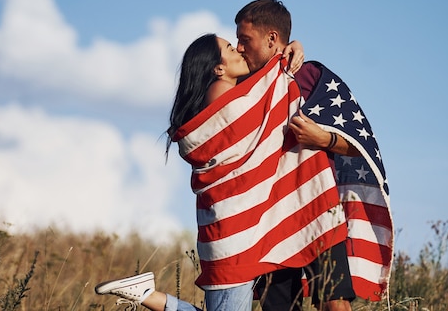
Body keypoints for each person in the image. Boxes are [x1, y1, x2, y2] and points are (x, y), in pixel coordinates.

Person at [95, 32, 306, 311]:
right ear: (218, 68)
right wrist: (280, 58)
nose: (240, 50)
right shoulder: (221, 90)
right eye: (231, 48)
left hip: (229, 227)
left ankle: (149, 295)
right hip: (233, 230)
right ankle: (147, 296)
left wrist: (290, 48)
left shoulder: (226, 90)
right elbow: (259, 114)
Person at [237, 0, 392, 311]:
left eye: (245, 39)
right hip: (268, 217)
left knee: (333, 302)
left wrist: (323, 138)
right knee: (278, 306)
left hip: (318, 207)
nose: (239, 48)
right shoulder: (242, 84)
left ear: (271, 38)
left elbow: (361, 145)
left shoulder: (311, 77)